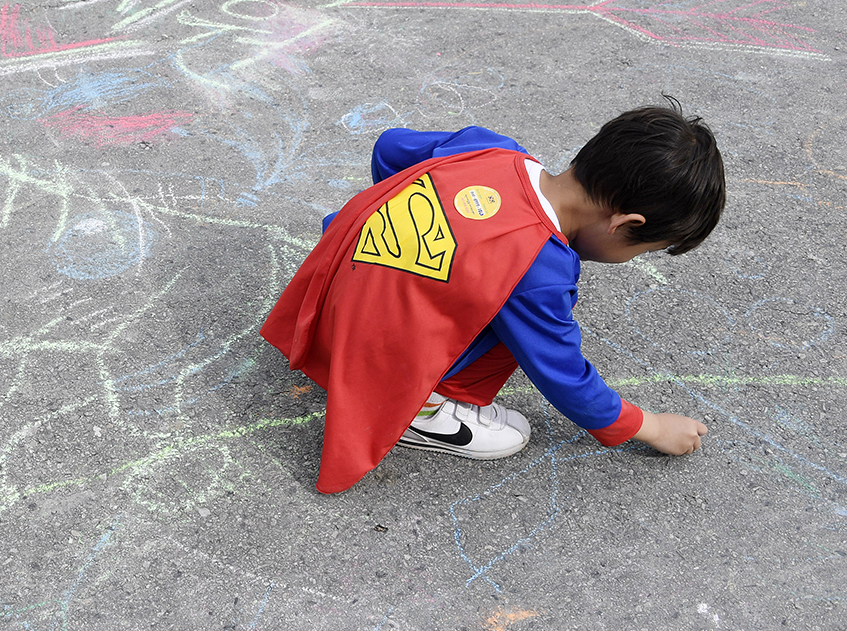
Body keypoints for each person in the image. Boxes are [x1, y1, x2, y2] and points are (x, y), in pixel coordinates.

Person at [260, 100, 725, 493]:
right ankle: (422, 411)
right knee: (521, 321)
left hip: (329, 293)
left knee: (481, 286)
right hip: (367, 350)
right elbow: (561, 372)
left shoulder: (492, 148)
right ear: (625, 224)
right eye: (646, 250)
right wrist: (649, 426)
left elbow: (391, 145)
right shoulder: (539, 266)